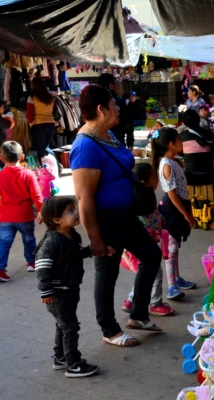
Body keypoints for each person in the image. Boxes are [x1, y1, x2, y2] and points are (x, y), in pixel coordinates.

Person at [70, 84, 163, 348]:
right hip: (106, 219)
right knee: (107, 274)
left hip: (126, 215)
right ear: (101, 110)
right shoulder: (85, 146)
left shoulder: (107, 134)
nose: (118, 108)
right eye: (113, 104)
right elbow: (84, 198)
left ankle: (138, 315)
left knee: (152, 255)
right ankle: (109, 329)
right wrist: (95, 238)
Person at [35, 197, 99, 378]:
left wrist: (92, 250)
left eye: (75, 209)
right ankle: (73, 364)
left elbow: (75, 255)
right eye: (71, 211)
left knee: (63, 325)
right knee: (70, 326)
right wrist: (46, 291)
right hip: (58, 293)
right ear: (56, 220)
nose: (77, 213)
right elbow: (42, 266)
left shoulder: (72, 235)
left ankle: (60, 358)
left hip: (70, 289)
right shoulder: (52, 241)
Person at [121, 163, 175, 316]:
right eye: (154, 177)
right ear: (143, 182)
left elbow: (153, 212)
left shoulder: (146, 193)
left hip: (148, 242)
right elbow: (147, 217)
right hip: (144, 245)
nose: (158, 179)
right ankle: (155, 303)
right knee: (155, 274)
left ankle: (131, 300)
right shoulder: (138, 200)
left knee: (144, 273)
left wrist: (161, 218)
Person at [151, 127, 197, 300]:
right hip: (172, 209)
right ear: (171, 144)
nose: (182, 143)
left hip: (176, 206)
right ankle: (172, 287)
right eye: (179, 140)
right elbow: (172, 193)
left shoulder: (171, 161)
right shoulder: (167, 165)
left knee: (175, 246)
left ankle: (176, 279)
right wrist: (186, 215)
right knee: (171, 249)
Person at [0, 141, 43, 281]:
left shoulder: (1, 176)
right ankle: (31, 262)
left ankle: (0, 268)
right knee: (29, 239)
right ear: (22, 157)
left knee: (4, 242)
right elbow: (36, 194)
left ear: (2, 159)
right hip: (25, 216)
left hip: (5, 217)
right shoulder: (28, 174)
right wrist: (41, 210)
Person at [180, 109, 214, 189]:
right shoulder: (210, 135)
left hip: (191, 177)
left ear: (184, 122)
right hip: (209, 176)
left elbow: (181, 153)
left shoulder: (182, 136)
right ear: (198, 119)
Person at [98, 73, 134, 150]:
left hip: (99, 143)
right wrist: (130, 143)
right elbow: (127, 123)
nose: (117, 109)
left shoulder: (93, 101)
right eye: (114, 106)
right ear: (111, 85)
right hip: (118, 141)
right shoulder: (119, 101)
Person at [26, 78, 56, 164]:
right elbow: (55, 110)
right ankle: (55, 163)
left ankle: (47, 168)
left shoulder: (32, 98)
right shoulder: (50, 97)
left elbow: (29, 114)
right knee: (46, 147)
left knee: (41, 149)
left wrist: (30, 123)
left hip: (38, 125)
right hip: (51, 124)